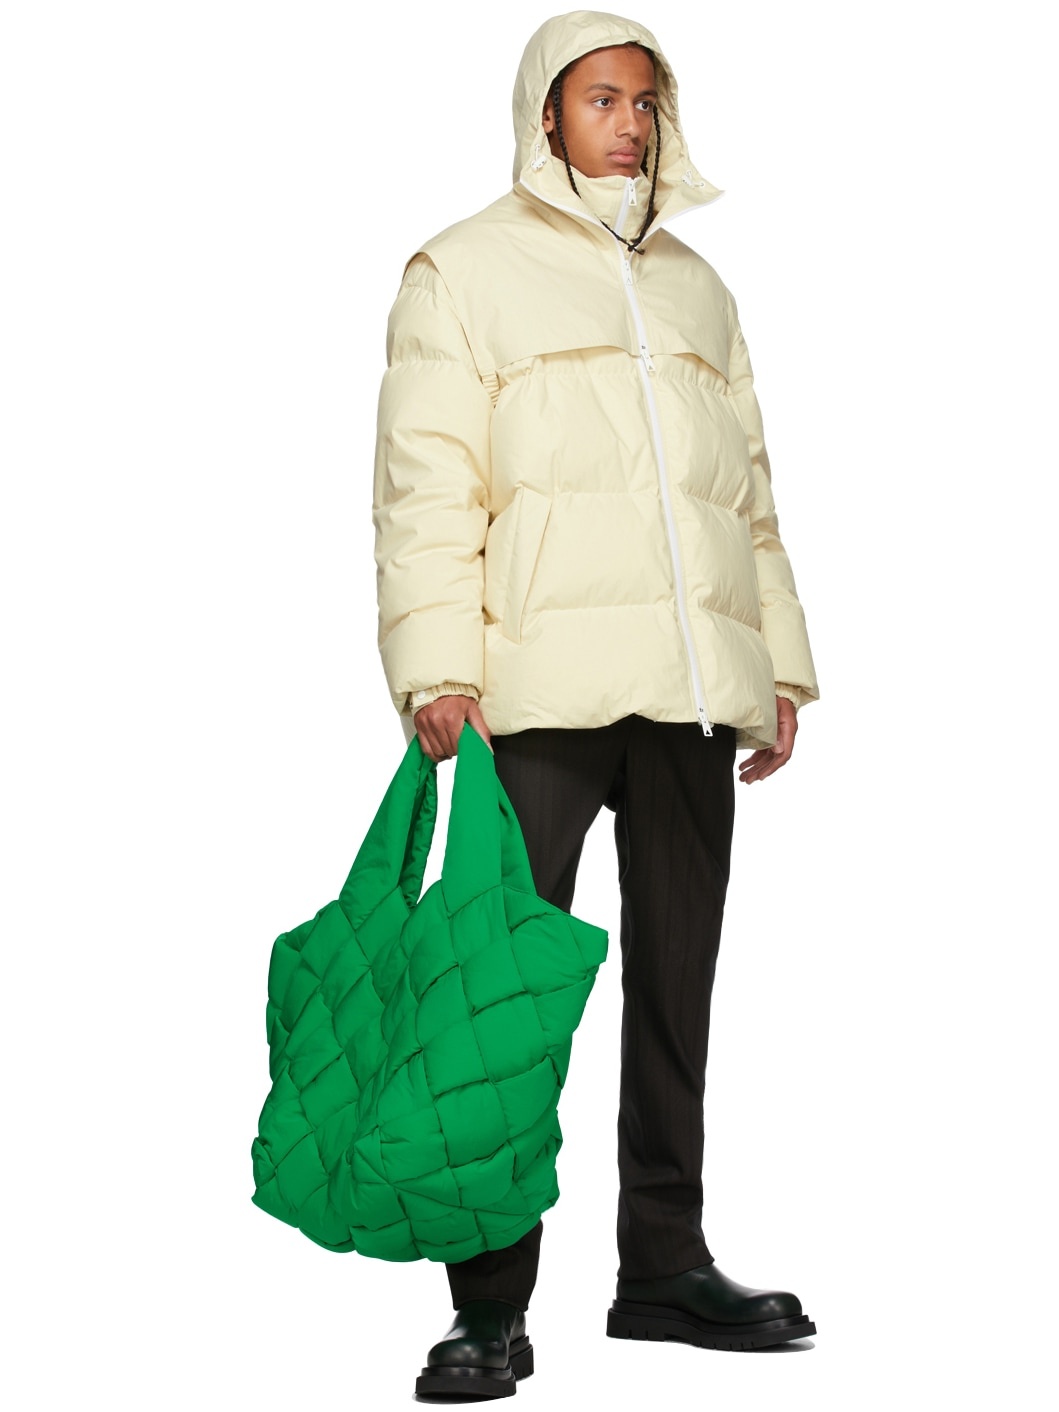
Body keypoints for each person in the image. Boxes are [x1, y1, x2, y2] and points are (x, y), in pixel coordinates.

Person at [371, 9, 820, 1397]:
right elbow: (425, 479)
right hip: (537, 695)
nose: (629, 122)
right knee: (503, 1002)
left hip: (685, 693)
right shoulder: (463, 270)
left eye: (645, 100)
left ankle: (665, 1267)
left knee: (676, 990)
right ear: (546, 115)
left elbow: (744, 493)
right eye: (601, 98)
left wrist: (772, 666)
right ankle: (488, 1308)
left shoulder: (698, 289)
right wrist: (436, 667)